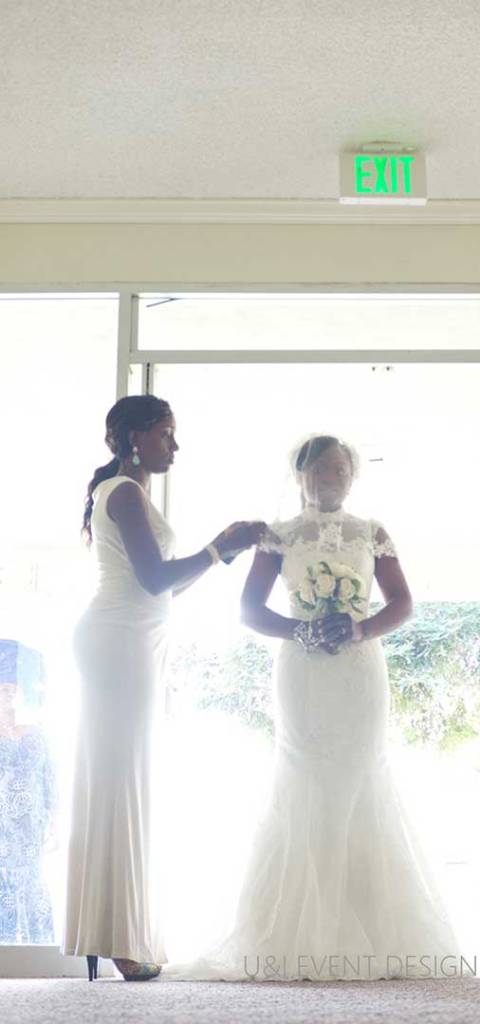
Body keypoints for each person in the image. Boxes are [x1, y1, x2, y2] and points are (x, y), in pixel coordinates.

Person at [167, 433, 461, 981]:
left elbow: (403, 603)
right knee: (305, 781)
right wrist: (301, 630)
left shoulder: (373, 532)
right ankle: (293, 935)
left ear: (353, 476)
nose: (332, 480)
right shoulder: (277, 538)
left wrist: (359, 627)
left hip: (358, 670)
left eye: (341, 471)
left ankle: (379, 933)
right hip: (302, 672)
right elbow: (250, 611)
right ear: (299, 476)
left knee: (360, 778)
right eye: (321, 471)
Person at [62, 395, 265, 982]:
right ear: (134, 437)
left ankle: (117, 931)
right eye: (167, 434)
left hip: (133, 641)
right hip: (117, 643)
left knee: (124, 784)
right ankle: (121, 939)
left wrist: (216, 552)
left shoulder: (129, 492)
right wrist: (219, 547)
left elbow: (164, 589)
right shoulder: (124, 492)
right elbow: (153, 579)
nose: (175, 446)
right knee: (121, 785)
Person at [0, 640, 56, 945]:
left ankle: (40, 946)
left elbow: (50, 776)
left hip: (31, 820)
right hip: (1, 822)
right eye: (2, 688)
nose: (8, 695)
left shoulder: (37, 731)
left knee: (34, 880)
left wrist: (56, 818)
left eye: (12, 689)